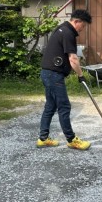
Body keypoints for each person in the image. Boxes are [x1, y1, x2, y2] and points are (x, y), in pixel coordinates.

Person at [37, 9, 92, 151]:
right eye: (83, 26)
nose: (83, 29)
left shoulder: (62, 29)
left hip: (47, 73)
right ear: (76, 21)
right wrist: (81, 75)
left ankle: (43, 138)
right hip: (53, 75)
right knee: (64, 106)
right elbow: (73, 58)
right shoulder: (68, 33)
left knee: (51, 106)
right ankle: (71, 139)